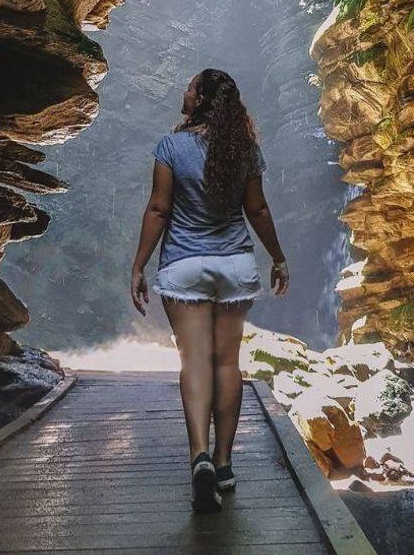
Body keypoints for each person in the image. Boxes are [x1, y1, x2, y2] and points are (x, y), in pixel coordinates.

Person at [130, 68, 289, 513]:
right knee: (227, 362)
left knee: (194, 360)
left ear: (199, 99)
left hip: (183, 266)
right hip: (234, 266)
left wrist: (139, 265)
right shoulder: (244, 149)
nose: (183, 90)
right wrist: (278, 257)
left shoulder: (171, 146)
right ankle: (223, 463)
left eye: (189, 86)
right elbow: (256, 209)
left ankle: (199, 454)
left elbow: (159, 209)